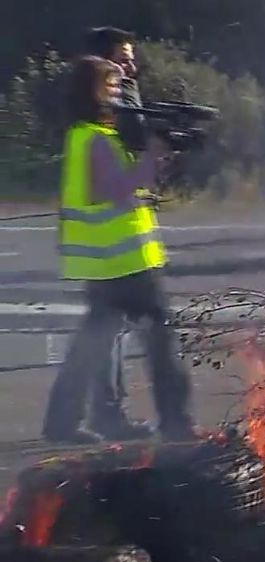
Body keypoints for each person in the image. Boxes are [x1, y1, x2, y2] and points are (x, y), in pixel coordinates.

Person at [42, 56, 196, 443]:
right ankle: (176, 424)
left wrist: (153, 164)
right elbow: (116, 190)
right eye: (110, 85)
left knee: (91, 346)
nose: (118, 91)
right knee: (160, 341)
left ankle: (60, 424)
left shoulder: (87, 135)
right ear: (91, 91)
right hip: (123, 261)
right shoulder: (94, 138)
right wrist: (152, 156)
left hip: (105, 262)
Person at [82, 26, 153, 440]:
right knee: (108, 330)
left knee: (107, 329)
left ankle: (79, 416)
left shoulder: (111, 102)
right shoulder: (103, 109)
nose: (131, 65)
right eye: (123, 58)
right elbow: (133, 144)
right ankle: (103, 416)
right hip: (106, 237)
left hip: (112, 234)